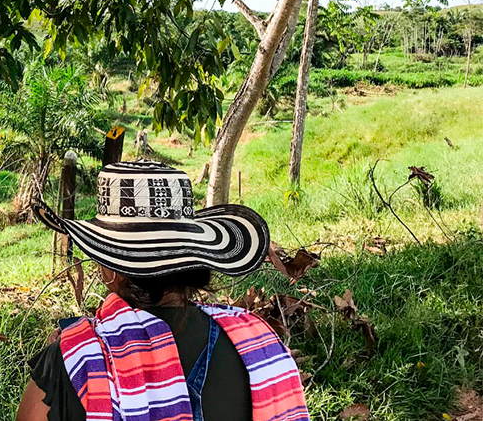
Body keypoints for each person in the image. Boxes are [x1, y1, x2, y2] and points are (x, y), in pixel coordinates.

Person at [17, 160, 310, 421]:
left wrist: (59, 356)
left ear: (109, 268)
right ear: (197, 256)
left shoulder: (74, 359)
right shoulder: (261, 344)